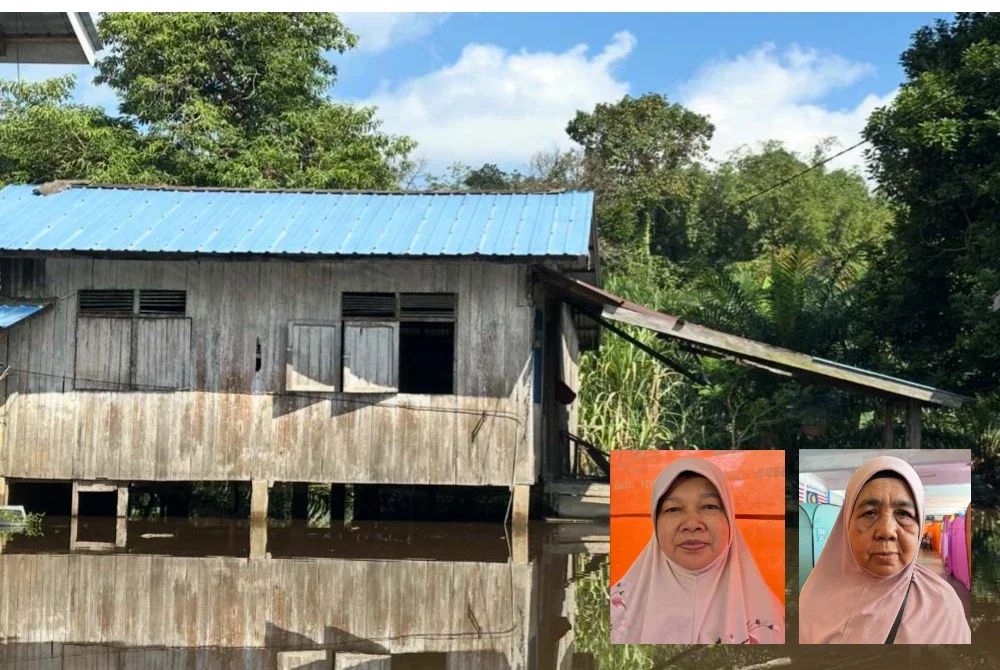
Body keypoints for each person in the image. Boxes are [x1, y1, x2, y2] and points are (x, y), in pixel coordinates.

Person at [610, 457, 784, 644]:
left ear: (729, 520)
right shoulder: (617, 610)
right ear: (655, 522)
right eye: (673, 509)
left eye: (709, 506)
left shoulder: (771, 620)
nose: (692, 524)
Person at [799, 455, 971, 644]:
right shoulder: (813, 598)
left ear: (920, 526)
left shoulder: (942, 606)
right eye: (869, 513)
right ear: (846, 524)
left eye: (903, 514)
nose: (887, 531)